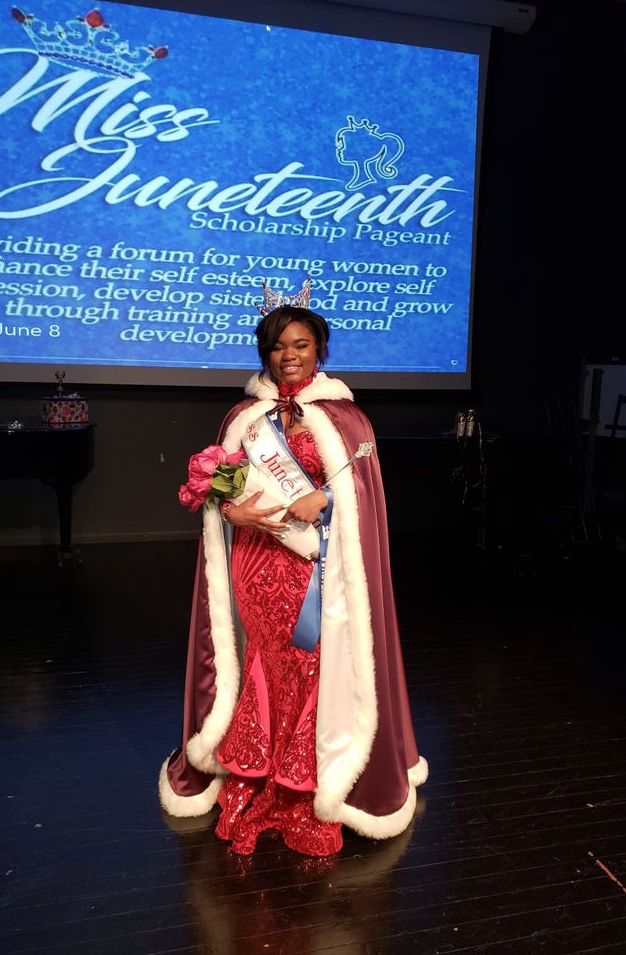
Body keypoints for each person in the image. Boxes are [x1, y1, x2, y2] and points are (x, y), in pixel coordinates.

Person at [159, 285, 427, 856]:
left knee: (310, 665)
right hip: (255, 565)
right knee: (263, 662)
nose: (289, 356)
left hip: (315, 569)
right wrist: (231, 508)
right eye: (278, 346)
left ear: (320, 350)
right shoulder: (245, 416)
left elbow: (361, 502)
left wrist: (326, 502)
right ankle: (256, 772)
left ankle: (306, 780)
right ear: (265, 352)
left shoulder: (345, 419)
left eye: (301, 345)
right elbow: (222, 487)